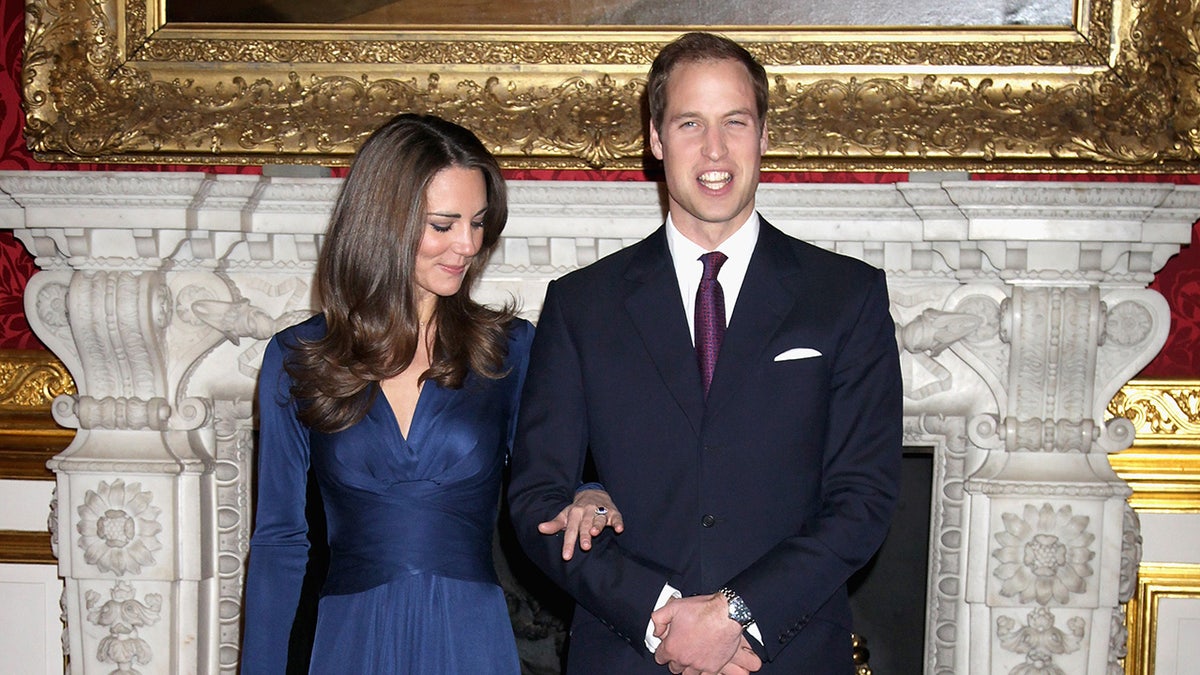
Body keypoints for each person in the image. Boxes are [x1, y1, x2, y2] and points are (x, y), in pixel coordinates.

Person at [507, 32, 902, 675]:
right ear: (656, 140)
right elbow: (537, 500)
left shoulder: (846, 297)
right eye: (690, 123)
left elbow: (865, 498)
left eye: (735, 122)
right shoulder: (583, 305)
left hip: (790, 651)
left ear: (764, 135)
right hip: (628, 651)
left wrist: (737, 614)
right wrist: (660, 617)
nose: (714, 150)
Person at [240, 113, 622, 674]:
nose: (467, 246)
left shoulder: (507, 349)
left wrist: (590, 493)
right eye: (443, 224)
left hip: (471, 637)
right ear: (384, 225)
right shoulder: (298, 358)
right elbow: (279, 543)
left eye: (478, 223)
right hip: (351, 642)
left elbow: (559, 472)